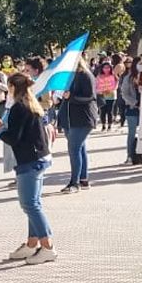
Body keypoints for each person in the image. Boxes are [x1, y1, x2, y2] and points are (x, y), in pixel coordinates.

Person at [2, 72, 58, 264]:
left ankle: (47, 246)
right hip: (40, 157)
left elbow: (14, 138)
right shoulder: (31, 103)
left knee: (29, 204)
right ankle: (32, 243)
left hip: (30, 160)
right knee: (34, 203)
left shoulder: (18, 107)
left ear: (12, 88)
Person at [60, 58, 98, 193]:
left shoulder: (86, 75)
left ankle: (74, 183)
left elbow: (91, 97)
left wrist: (71, 97)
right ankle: (83, 179)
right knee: (80, 148)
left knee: (74, 148)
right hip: (69, 118)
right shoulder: (68, 76)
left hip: (83, 118)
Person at [119, 67, 142, 165]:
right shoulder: (128, 78)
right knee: (131, 133)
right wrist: (135, 103)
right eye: (140, 63)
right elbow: (124, 94)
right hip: (132, 108)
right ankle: (130, 156)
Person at [94, 62, 118, 132]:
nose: (106, 69)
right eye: (105, 67)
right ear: (102, 68)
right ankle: (103, 125)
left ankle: (109, 126)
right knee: (102, 111)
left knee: (110, 111)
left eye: (108, 67)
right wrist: (100, 91)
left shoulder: (113, 75)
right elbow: (96, 86)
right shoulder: (99, 76)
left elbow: (116, 85)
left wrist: (111, 90)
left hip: (111, 96)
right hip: (102, 96)